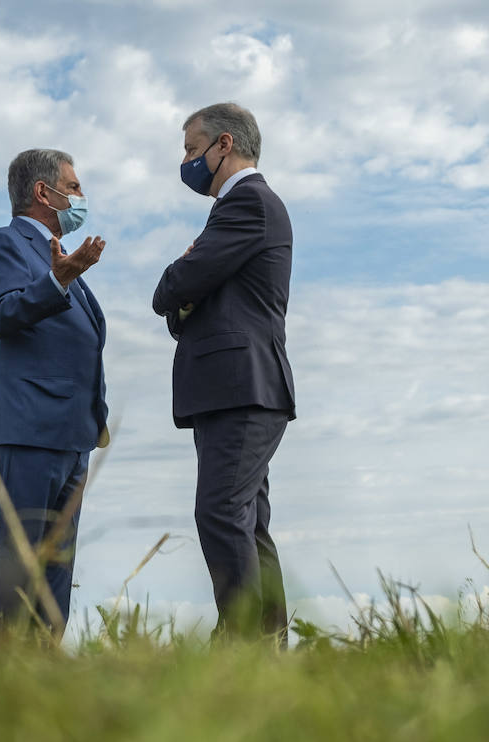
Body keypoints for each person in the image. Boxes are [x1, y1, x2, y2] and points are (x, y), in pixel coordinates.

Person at [151, 102, 296, 645]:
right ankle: (268, 645)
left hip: (243, 386)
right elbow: (185, 300)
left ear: (224, 145)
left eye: (192, 149)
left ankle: (241, 645)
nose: (187, 161)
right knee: (246, 521)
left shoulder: (248, 205)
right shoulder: (240, 212)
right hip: (236, 388)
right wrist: (185, 294)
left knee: (220, 512)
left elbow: (174, 287)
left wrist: (179, 284)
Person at [0, 148, 109, 646]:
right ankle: (4, 686)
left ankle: (45, 684)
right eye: (73, 188)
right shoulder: (5, 245)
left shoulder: (56, 252)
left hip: (72, 436)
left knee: (55, 573)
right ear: (43, 192)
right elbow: (2, 316)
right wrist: (61, 277)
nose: (79, 197)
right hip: (28, 428)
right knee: (19, 564)